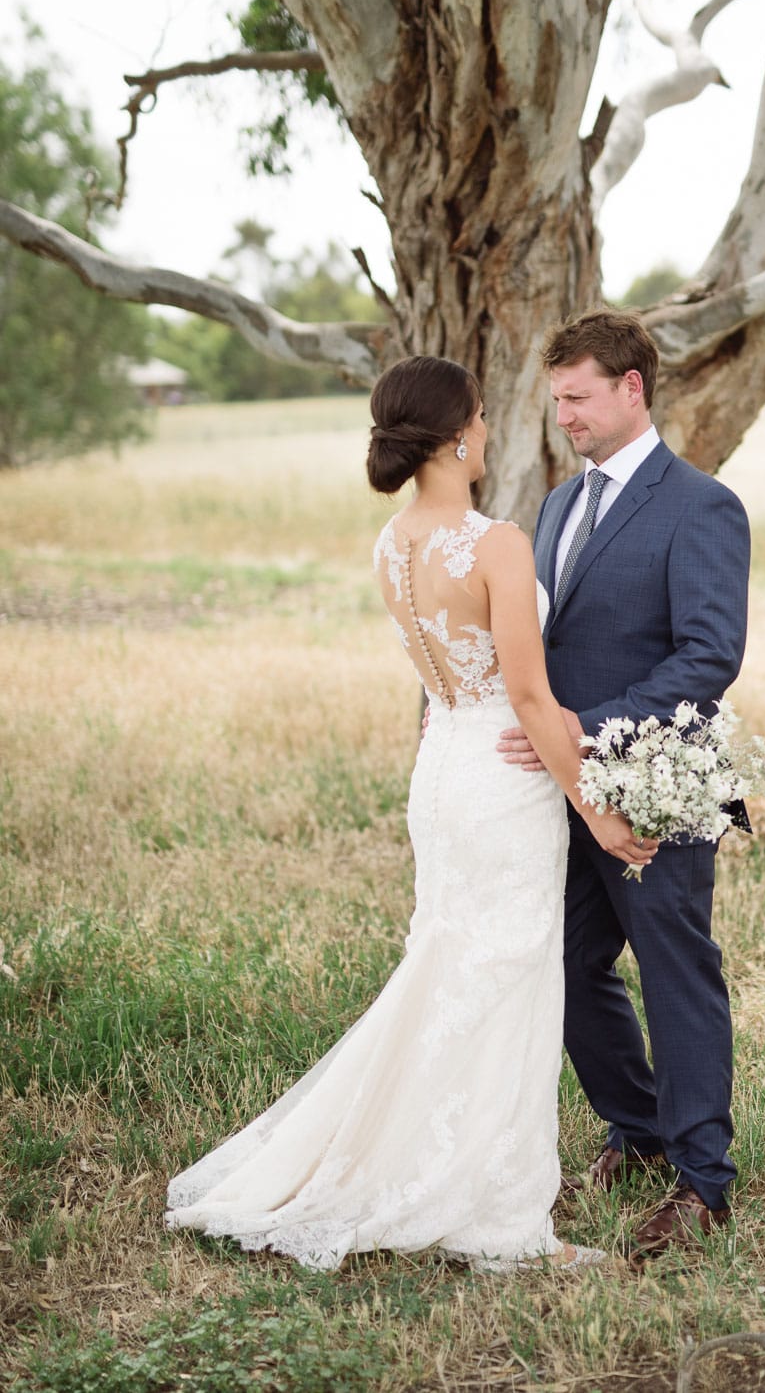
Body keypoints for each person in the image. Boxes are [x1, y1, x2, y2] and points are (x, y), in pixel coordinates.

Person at [165, 354, 652, 1274]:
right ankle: (501, 1217)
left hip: (441, 774)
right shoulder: (495, 542)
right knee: (504, 982)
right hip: (501, 785)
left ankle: (415, 1165)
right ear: (459, 432)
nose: (487, 431)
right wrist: (599, 814)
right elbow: (531, 698)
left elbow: (443, 687)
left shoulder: (391, 542)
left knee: (448, 969)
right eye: (479, 416)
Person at [498, 310, 750, 1260]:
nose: (562, 414)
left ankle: (702, 1183)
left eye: (577, 396)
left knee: (677, 974)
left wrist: (586, 731)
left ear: (631, 388)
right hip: (565, 789)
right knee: (562, 962)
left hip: (656, 783)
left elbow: (707, 655)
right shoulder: (560, 504)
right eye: (555, 398)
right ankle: (636, 1131)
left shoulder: (702, 505)